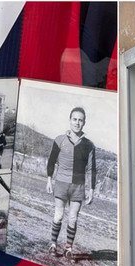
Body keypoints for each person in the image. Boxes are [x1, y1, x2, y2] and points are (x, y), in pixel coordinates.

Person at [46, 107, 95, 258]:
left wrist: (91, 190)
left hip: (78, 187)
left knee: (73, 218)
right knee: (58, 216)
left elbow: (92, 169)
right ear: (70, 120)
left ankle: (68, 248)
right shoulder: (59, 139)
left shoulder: (89, 145)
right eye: (75, 119)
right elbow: (52, 161)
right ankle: (53, 245)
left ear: (84, 123)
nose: (77, 123)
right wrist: (49, 180)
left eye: (80, 120)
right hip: (61, 183)